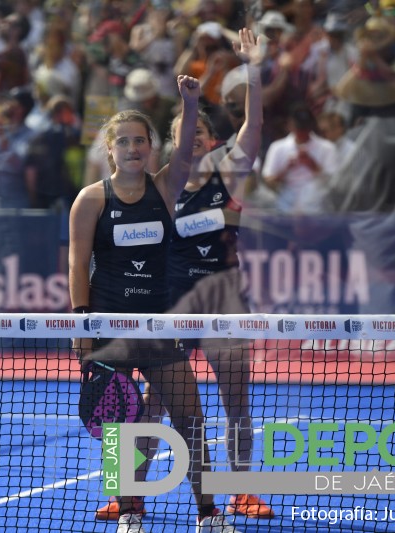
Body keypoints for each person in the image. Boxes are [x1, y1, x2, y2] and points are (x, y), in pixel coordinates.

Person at [70, 75, 240, 533]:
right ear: (110, 150)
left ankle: (209, 513)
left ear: (149, 147)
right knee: (118, 427)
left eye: (140, 141)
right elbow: (76, 265)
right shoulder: (91, 199)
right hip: (110, 329)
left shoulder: (164, 190)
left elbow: (185, 151)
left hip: (158, 327)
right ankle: (128, 510)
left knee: (190, 418)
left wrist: (188, 101)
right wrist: (83, 333)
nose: (132, 148)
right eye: (122, 141)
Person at [146, 27, 274, 522]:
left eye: (198, 130)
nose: (191, 137)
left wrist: (254, 70)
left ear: (213, 140)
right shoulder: (161, 186)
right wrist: (188, 104)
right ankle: (129, 493)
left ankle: (241, 489)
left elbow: (256, 129)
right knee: (152, 405)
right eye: (184, 130)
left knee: (235, 402)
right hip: (172, 305)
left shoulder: (228, 174)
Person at [261, 102, 339, 214]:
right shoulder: (277, 147)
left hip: (317, 207)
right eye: (299, 128)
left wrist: (313, 165)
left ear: (311, 126)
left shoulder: (327, 148)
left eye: (305, 128)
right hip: (285, 206)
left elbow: (334, 183)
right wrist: (286, 169)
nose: (302, 133)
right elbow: (269, 181)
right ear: (290, 126)